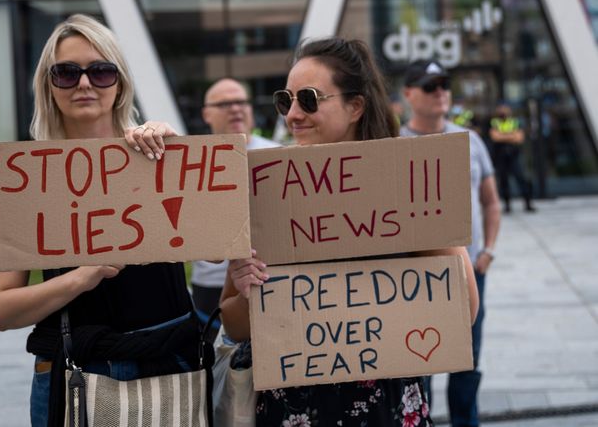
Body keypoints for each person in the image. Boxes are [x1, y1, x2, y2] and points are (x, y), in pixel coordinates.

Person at [219, 38, 479, 426]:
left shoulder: (402, 182)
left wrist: (420, 229)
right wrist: (246, 291)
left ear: (355, 105)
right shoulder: (265, 190)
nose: (292, 114)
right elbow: (233, 324)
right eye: (284, 100)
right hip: (292, 409)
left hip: (383, 408)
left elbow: (465, 309)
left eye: (308, 99)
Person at [0, 14, 203, 427]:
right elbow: (2, 310)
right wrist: (81, 277)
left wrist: (176, 153)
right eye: (67, 73)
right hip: (75, 376)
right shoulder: (32, 178)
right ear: (48, 86)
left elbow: (217, 250)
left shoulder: (159, 156)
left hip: (169, 366)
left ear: (120, 82)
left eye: (101, 71)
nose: (85, 83)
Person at [401, 59, 502, 427]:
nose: (440, 91)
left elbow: (491, 201)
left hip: (469, 271)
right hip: (416, 277)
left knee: (468, 359)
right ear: (408, 94)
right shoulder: (393, 144)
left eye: (444, 84)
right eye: (429, 86)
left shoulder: (470, 140)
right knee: (417, 362)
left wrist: (488, 251)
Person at [191, 78, 278, 321]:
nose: (236, 108)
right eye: (225, 104)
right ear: (206, 114)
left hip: (268, 277)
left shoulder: (277, 156)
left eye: (241, 101)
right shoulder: (192, 163)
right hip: (210, 285)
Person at [489, 103, 536, 213]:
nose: (503, 111)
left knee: (521, 179)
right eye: (501, 109)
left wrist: (503, 136)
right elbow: (495, 137)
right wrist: (511, 136)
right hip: (500, 156)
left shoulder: (515, 122)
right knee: (504, 181)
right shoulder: (494, 122)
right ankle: (507, 206)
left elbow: (519, 138)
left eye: (505, 109)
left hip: (514, 156)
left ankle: (528, 204)